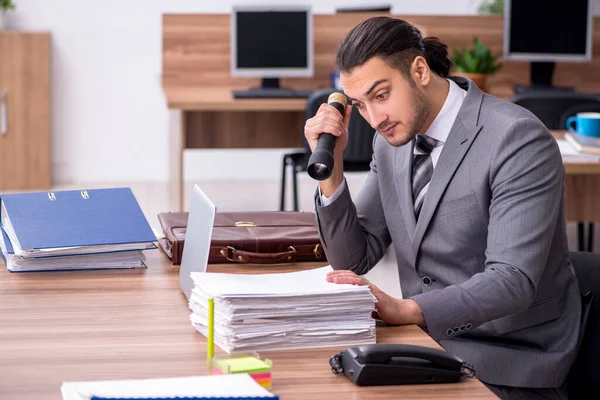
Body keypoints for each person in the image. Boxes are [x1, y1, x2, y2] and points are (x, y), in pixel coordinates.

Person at [305, 16, 582, 400]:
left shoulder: (516, 137)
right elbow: (354, 258)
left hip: (511, 363)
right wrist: (331, 168)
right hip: (427, 350)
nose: (374, 119)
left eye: (381, 95)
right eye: (360, 105)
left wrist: (405, 310)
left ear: (419, 69)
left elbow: (511, 280)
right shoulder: (390, 143)